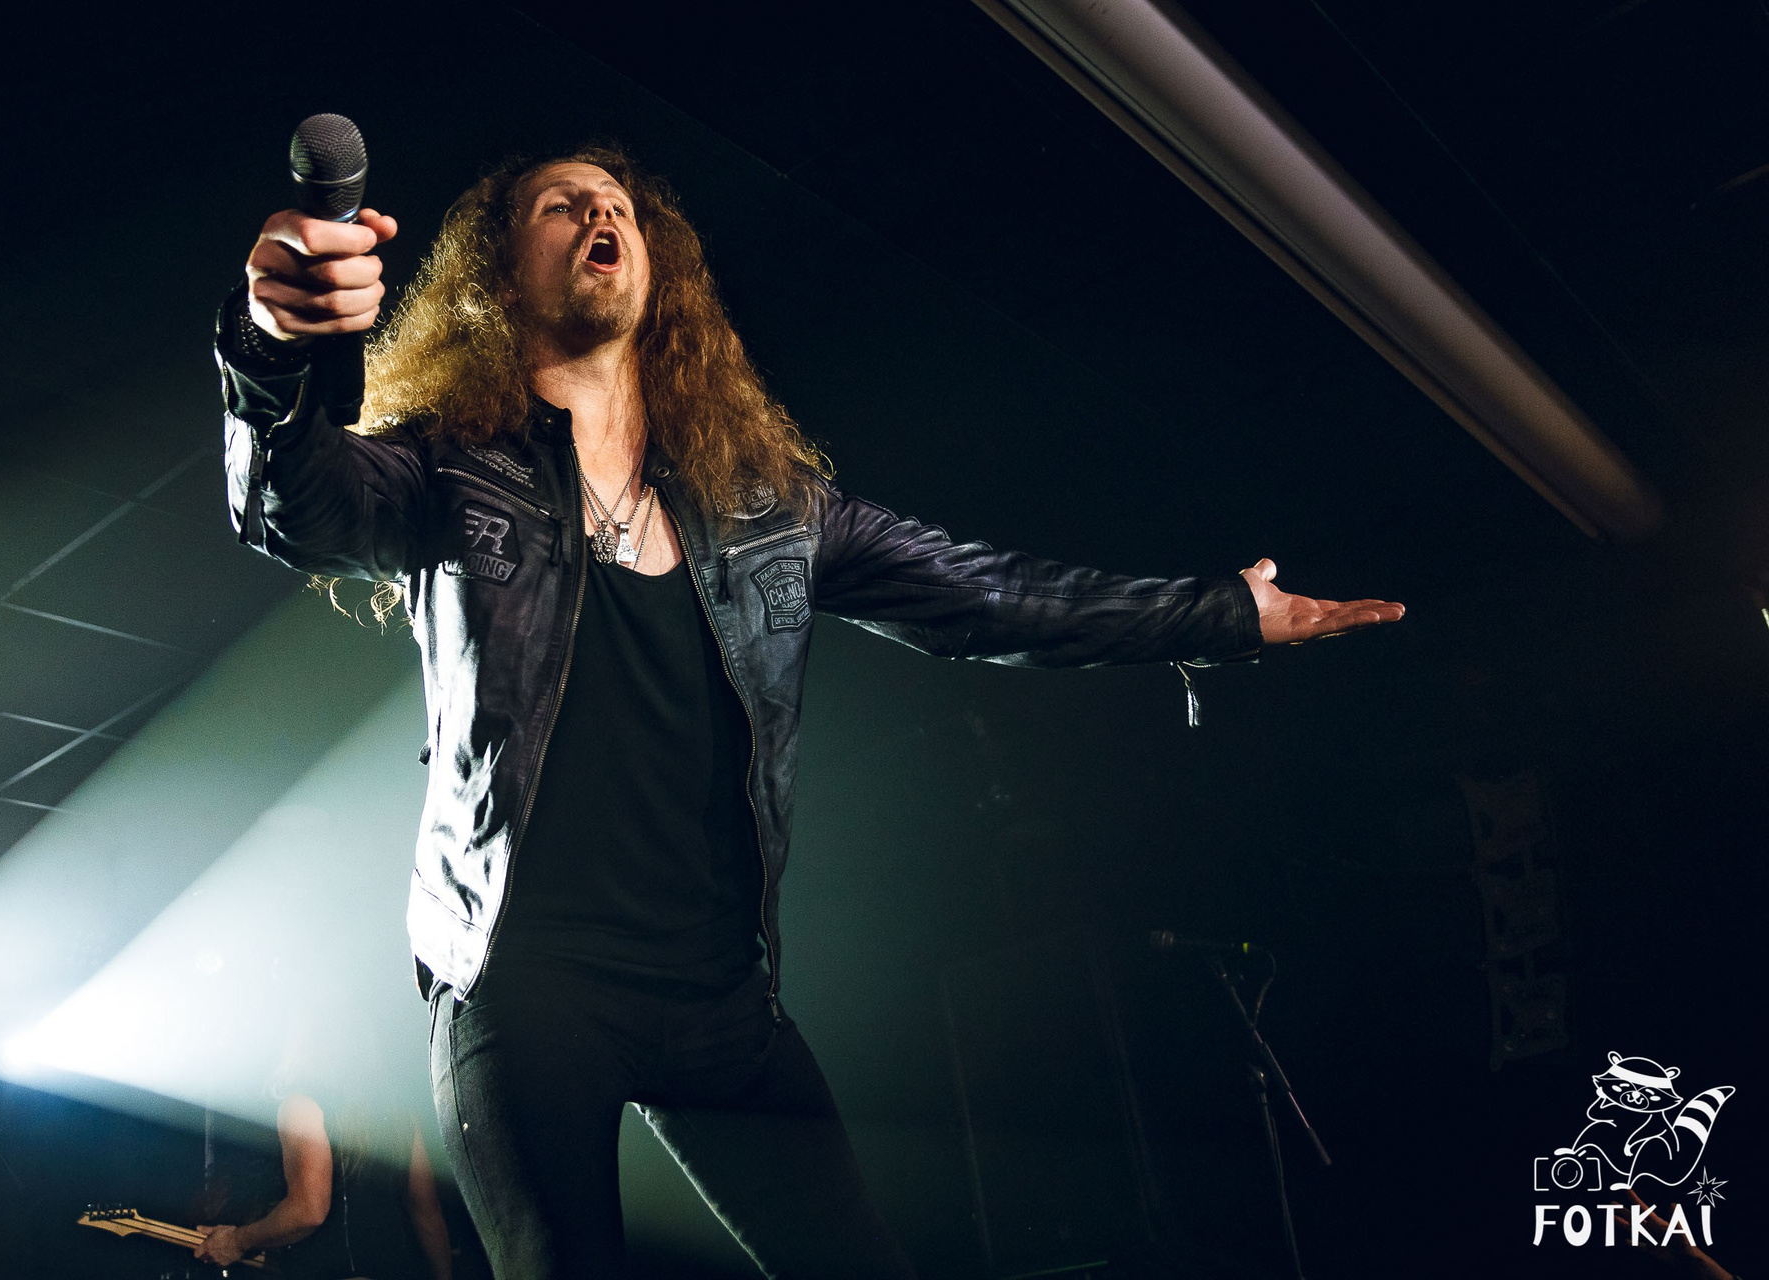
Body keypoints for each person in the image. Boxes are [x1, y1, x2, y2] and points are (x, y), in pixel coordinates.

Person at [218, 145, 1403, 1279]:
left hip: (720, 997)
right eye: (560, 204)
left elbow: (991, 595)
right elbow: (292, 502)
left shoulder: (766, 507)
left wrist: (1219, 614)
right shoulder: (446, 470)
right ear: (498, 279)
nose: (601, 214)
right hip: (525, 986)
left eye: (617, 202)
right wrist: (270, 343)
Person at [191, 1090, 453, 1280]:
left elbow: (308, 1211)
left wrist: (237, 1241)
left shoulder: (302, 1106)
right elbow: (428, 1214)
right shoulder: (400, 1112)